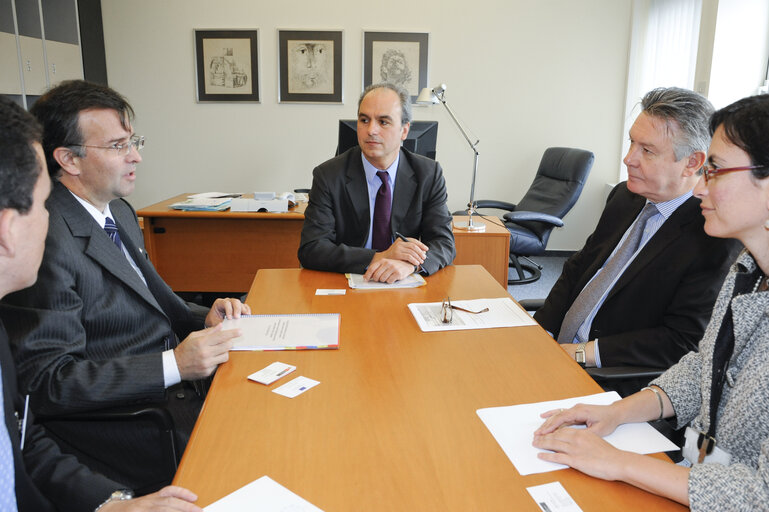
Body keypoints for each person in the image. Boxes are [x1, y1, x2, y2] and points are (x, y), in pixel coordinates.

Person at [0, 80, 249, 492]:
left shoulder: (117, 209)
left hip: (181, 390)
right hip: (140, 423)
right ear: (69, 159)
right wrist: (174, 364)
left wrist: (203, 316)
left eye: (133, 141)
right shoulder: (45, 242)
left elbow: (151, 302)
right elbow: (48, 383)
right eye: (117, 146)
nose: (136, 157)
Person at [533, 94, 769, 509]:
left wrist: (620, 463)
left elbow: (760, 494)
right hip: (697, 471)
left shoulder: (725, 255)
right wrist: (618, 413)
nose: (698, 187)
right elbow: (701, 366)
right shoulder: (748, 273)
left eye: (713, 170)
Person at [534, 87, 740, 395]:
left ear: (692, 162)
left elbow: (681, 339)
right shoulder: (624, 196)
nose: (628, 158)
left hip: (612, 379)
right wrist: (541, 331)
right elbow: (579, 267)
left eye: (647, 150)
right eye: (632, 142)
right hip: (555, 353)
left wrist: (582, 353)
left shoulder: (713, 234)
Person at [298, 82, 455, 283]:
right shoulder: (328, 175)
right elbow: (312, 248)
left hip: (403, 282)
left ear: (404, 131)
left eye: (383, 122)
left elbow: (444, 243)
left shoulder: (428, 174)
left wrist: (411, 264)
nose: (371, 130)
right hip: (347, 282)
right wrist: (380, 257)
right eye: (364, 120)